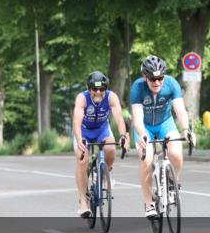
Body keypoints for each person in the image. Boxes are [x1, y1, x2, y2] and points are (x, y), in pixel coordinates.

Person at [130, 56, 193, 219]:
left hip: (165, 123)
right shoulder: (137, 87)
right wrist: (142, 134)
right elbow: (137, 116)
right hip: (145, 127)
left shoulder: (172, 84)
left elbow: (179, 110)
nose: (157, 82)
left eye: (160, 78)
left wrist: (186, 129)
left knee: (176, 154)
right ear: (145, 77)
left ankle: (173, 180)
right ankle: (149, 203)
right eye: (152, 79)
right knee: (146, 160)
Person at [72, 71, 128, 219]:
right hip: (83, 132)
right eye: (94, 89)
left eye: (101, 89)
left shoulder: (111, 97)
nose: (98, 92)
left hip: (102, 129)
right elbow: (76, 122)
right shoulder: (82, 98)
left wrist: (123, 136)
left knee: (110, 148)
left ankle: (103, 176)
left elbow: (119, 119)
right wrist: (79, 139)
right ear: (88, 88)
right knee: (82, 160)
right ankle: (84, 203)